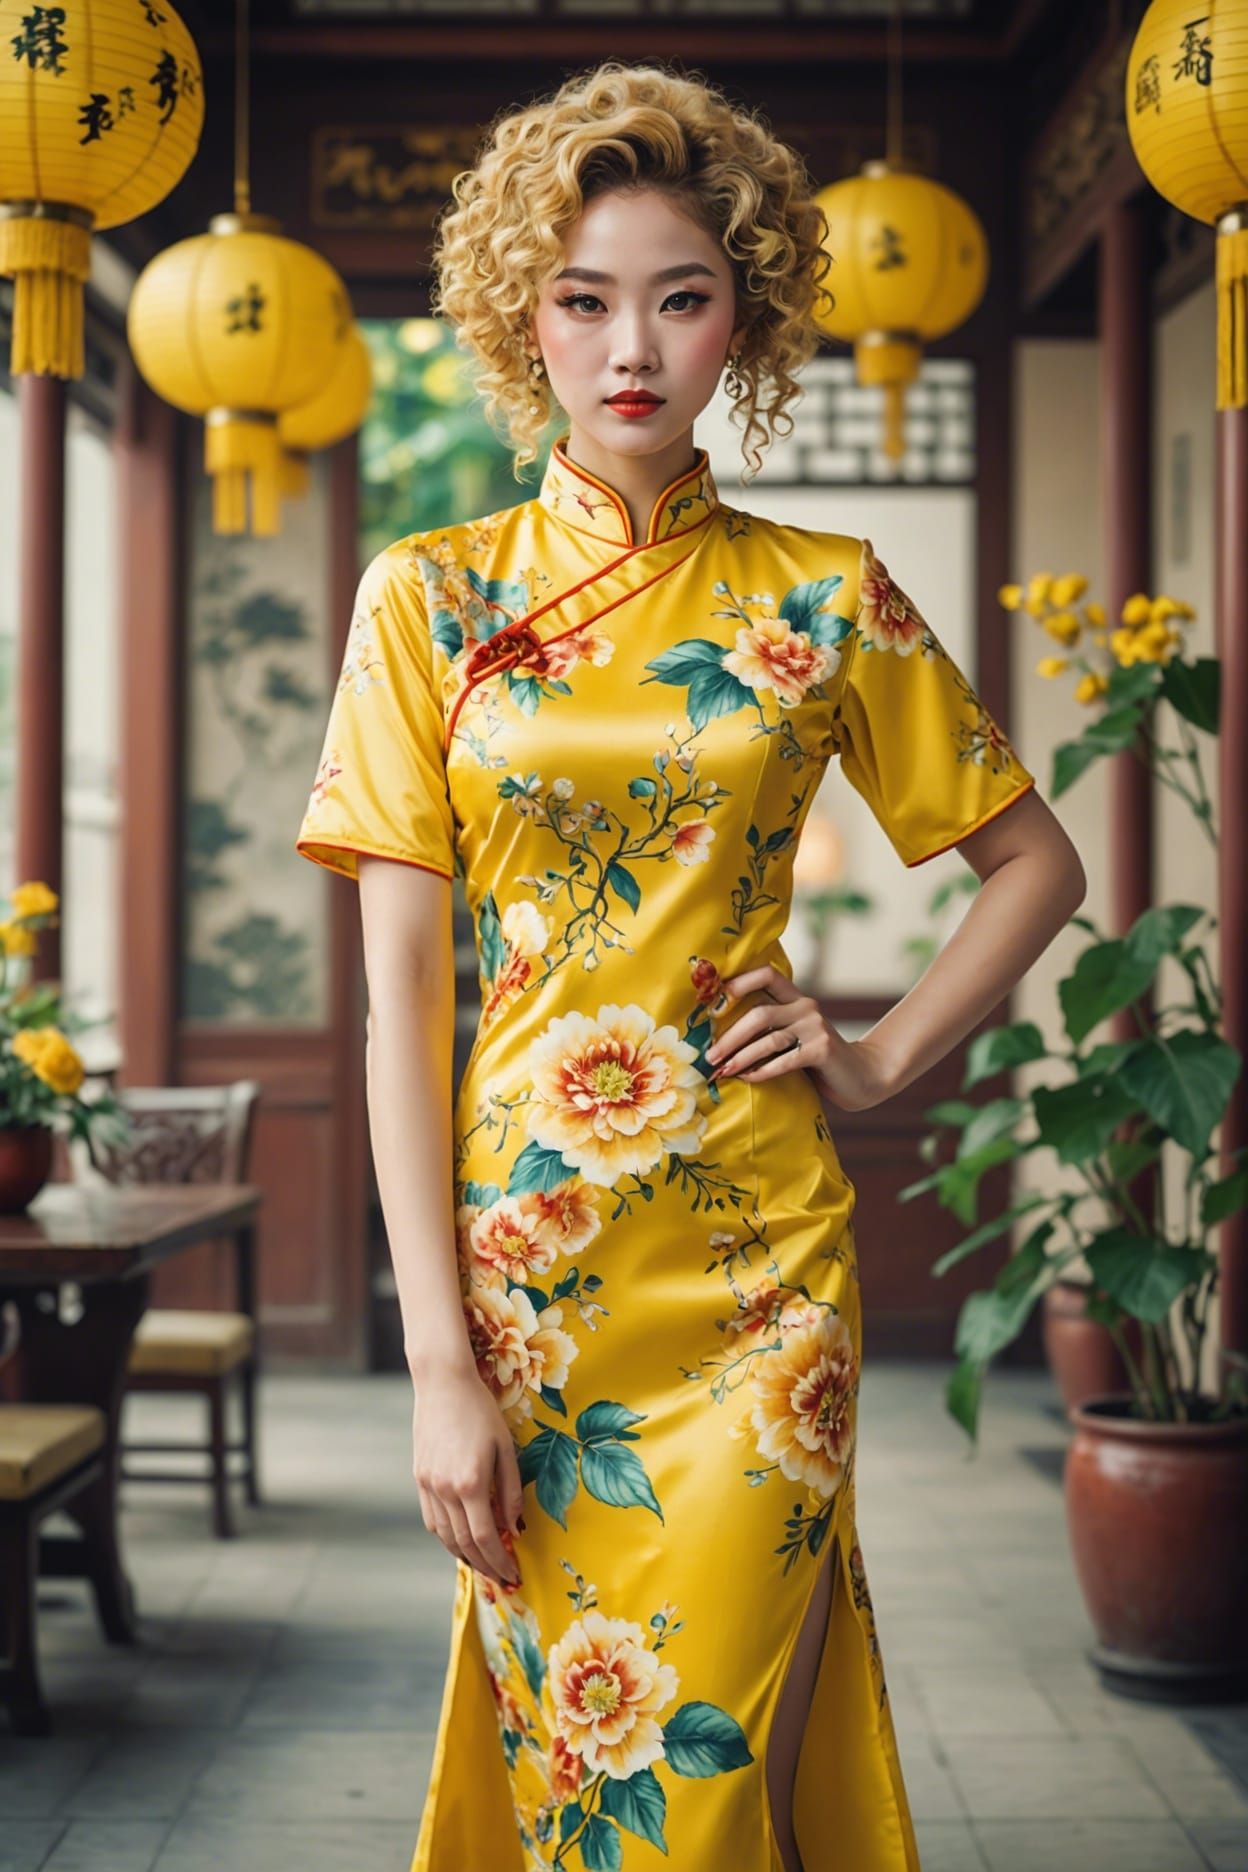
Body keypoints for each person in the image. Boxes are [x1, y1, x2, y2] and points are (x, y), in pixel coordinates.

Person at [295, 59, 1085, 1872]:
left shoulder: (822, 596)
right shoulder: (431, 602)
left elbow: (1037, 866)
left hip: (759, 1263)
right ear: (524, 319)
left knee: (704, 1759)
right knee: (587, 1758)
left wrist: (876, 1060)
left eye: (680, 295)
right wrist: (437, 1361)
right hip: (531, 1274)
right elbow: (399, 995)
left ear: (747, 315)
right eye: (583, 301)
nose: (630, 346)